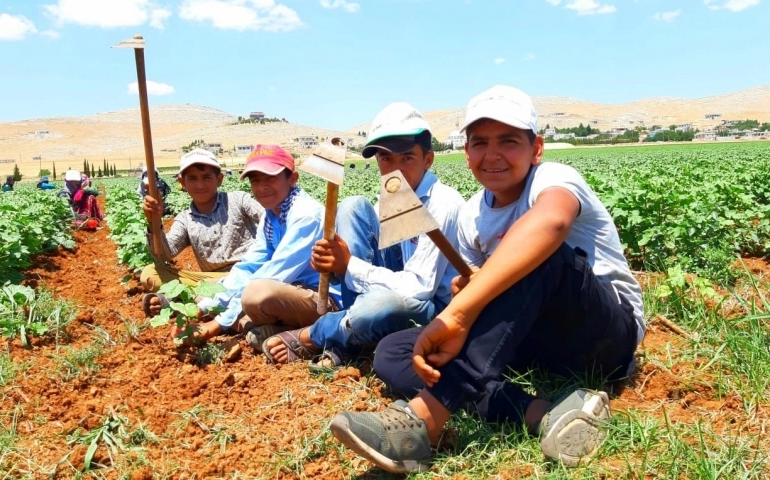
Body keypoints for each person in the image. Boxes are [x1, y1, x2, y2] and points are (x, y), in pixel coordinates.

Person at [329, 85, 645, 472]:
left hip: (603, 337)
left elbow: (552, 222)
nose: (492, 155)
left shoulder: (554, 178)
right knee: (396, 350)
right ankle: (541, 414)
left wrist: (463, 310)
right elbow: (475, 285)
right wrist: (470, 287)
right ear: (467, 153)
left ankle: (425, 419)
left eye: (508, 141)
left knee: (536, 255)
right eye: (480, 143)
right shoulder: (472, 216)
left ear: (537, 149)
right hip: (532, 339)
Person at [262, 102, 465, 368]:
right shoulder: (396, 194)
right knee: (352, 206)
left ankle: (315, 335)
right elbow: (385, 261)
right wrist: (333, 266)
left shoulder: (443, 204)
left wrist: (348, 265)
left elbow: (420, 288)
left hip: (435, 303)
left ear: (428, 160)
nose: (395, 169)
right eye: (385, 158)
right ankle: (351, 338)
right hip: (403, 280)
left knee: (377, 308)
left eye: (407, 158)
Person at [169, 145, 341, 347]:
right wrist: (203, 309)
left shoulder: (306, 216)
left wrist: (215, 325)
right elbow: (249, 265)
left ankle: (312, 332)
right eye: (255, 180)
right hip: (294, 290)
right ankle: (275, 331)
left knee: (255, 296)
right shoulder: (272, 215)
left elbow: (275, 273)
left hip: (323, 299)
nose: (261, 187)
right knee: (219, 294)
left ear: (292, 178)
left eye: (271, 178)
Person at [140, 149, 263, 300]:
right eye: (192, 178)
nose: (200, 185)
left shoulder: (239, 200)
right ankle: (219, 295)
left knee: (259, 279)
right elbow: (163, 254)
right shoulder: (185, 219)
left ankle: (189, 298)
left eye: (206, 177)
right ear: (182, 182)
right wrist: (155, 221)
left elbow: (267, 218)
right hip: (212, 279)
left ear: (219, 179)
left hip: (251, 270)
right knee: (149, 273)